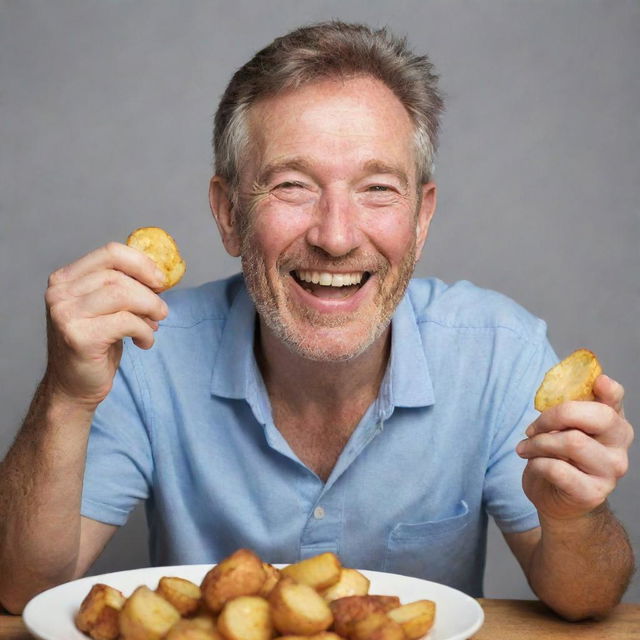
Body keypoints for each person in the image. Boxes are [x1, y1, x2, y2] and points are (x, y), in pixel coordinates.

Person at [0, 21, 634, 619]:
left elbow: (585, 602)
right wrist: (67, 394)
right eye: (293, 185)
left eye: (378, 188)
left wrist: (575, 521)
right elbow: (25, 592)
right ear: (227, 214)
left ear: (421, 217)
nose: (335, 237)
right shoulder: (146, 347)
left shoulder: (500, 351)